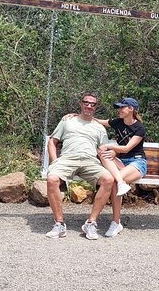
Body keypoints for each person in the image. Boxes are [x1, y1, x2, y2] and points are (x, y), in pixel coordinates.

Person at [45, 92, 115, 240]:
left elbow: (104, 149)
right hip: (68, 159)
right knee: (52, 179)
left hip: (90, 161)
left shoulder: (99, 128)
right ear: (81, 103)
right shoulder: (67, 121)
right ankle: (59, 224)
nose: (89, 106)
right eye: (86, 102)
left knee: (108, 179)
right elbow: (52, 141)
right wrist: (54, 161)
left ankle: (91, 223)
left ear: (96, 107)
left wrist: (113, 153)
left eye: (93, 104)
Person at [96, 97, 148, 238]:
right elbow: (99, 121)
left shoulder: (139, 128)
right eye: (118, 107)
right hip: (121, 162)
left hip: (137, 163)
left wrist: (110, 146)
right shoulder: (117, 122)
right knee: (103, 154)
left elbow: (126, 148)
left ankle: (115, 223)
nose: (119, 110)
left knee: (113, 182)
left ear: (131, 109)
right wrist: (79, 115)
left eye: (122, 107)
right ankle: (121, 183)